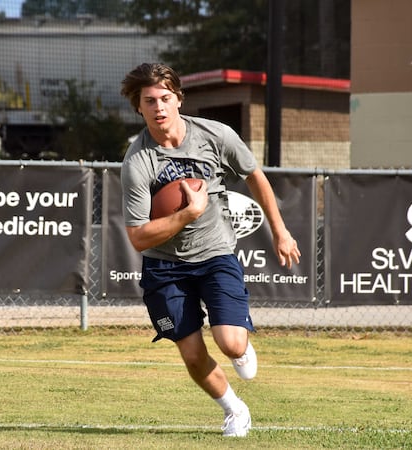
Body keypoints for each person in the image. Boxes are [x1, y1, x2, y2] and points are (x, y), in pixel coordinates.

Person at [119, 63, 301, 437]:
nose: (159, 107)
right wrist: (189, 213)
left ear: (179, 99)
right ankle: (235, 410)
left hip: (216, 253)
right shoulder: (138, 162)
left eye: (165, 98)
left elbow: (255, 176)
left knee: (231, 344)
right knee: (191, 353)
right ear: (138, 107)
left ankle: (241, 349)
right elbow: (138, 237)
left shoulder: (215, 136)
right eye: (149, 101)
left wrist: (280, 231)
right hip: (164, 266)